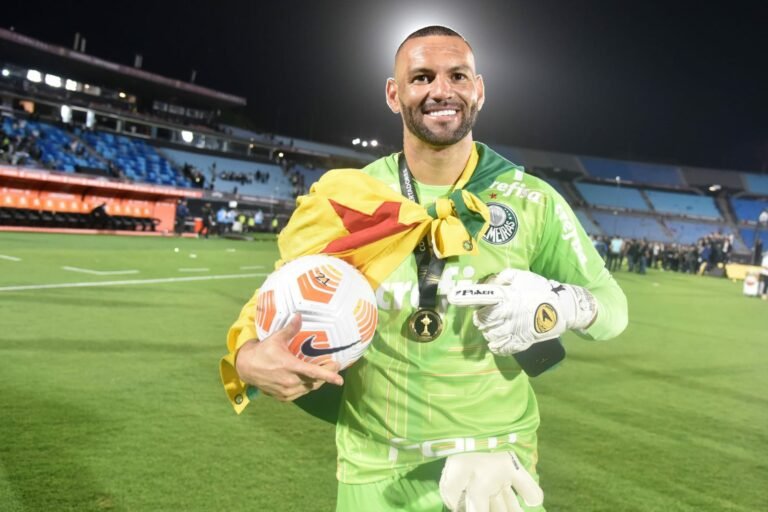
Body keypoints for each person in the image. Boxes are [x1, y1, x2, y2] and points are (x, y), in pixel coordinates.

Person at [221, 26, 628, 512]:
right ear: (395, 94)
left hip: (497, 462)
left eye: (458, 75)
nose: (441, 90)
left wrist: (561, 307)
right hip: (377, 468)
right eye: (421, 77)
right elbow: (276, 297)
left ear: (479, 90)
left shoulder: (533, 200)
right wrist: (247, 358)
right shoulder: (347, 197)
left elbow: (612, 308)